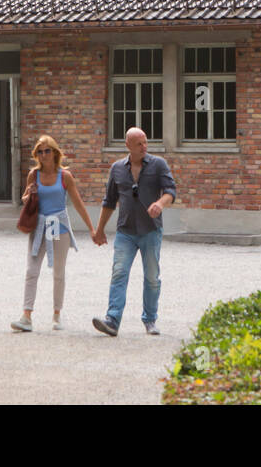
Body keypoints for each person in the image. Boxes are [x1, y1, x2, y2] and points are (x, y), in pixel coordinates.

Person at [91, 127, 177, 336]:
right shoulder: (117, 169)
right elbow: (109, 201)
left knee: (151, 277)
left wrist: (160, 203)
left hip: (150, 230)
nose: (144, 147)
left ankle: (150, 320)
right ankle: (112, 320)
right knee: (119, 272)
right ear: (128, 145)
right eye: (139, 143)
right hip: (126, 231)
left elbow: (171, 191)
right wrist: (99, 230)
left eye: (146, 142)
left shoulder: (158, 165)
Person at [11, 134, 96, 332]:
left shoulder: (64, 176)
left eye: (47, 151)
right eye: (39, 152)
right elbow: (24, 198)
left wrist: (92, 228)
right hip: (39, 224)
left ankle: (57, 314)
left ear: (55, 152)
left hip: (58, 226)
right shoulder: (34, 174)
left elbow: (78, 203)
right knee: (32, 271)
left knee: (58, 272)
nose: (43, 155)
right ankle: (26, 316)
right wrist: (28, 194)